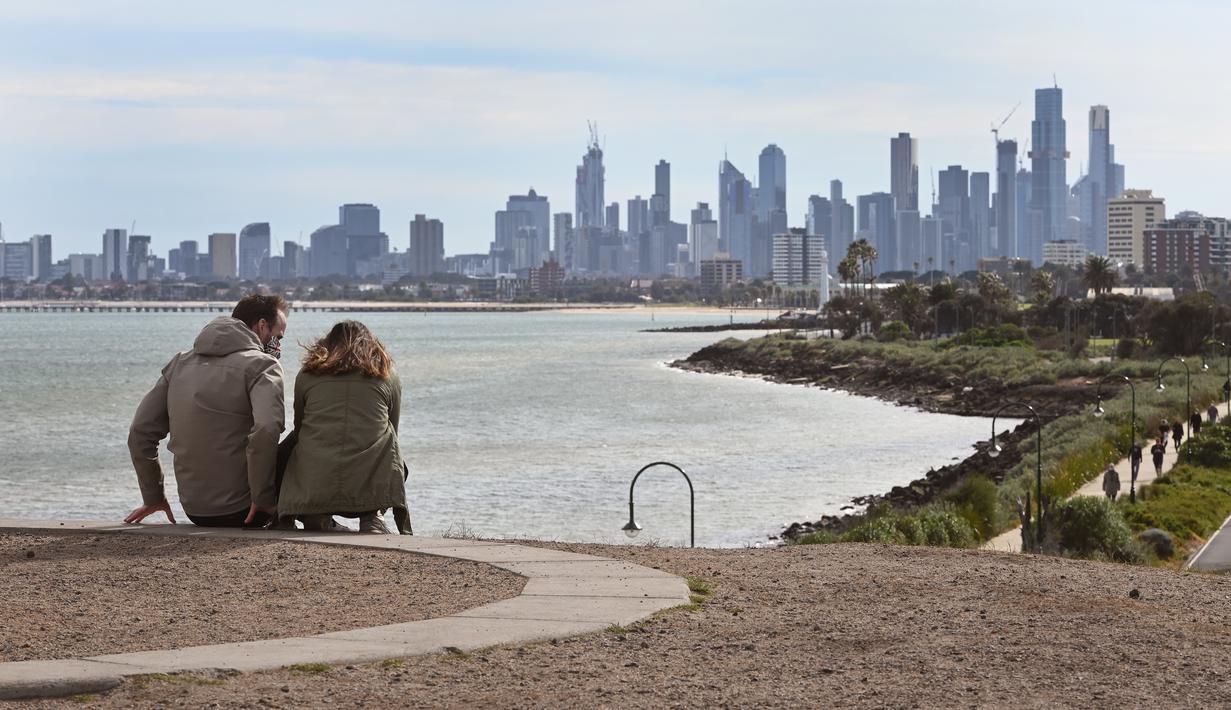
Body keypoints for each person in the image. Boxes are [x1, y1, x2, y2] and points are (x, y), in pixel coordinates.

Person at [126, 294, 289, 527]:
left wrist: (154, 497)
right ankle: (311, 518)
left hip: (195, 509)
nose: (279, 345)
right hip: (248, 509)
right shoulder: (263, 365)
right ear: (262, 326)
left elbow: (140, 432)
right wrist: (262, 497)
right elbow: (267, 428)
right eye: (278, 336)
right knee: (304, 438)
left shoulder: (179, 363)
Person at [278, 320, 411, 534]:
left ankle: (315, 512)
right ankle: (372, 515)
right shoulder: (387, 374)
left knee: (294, 446)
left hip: (316, 474)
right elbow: (392, 427)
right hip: (369, 475)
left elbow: (300, 426)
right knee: (392, 451)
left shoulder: (307, 374)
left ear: (327, 344)